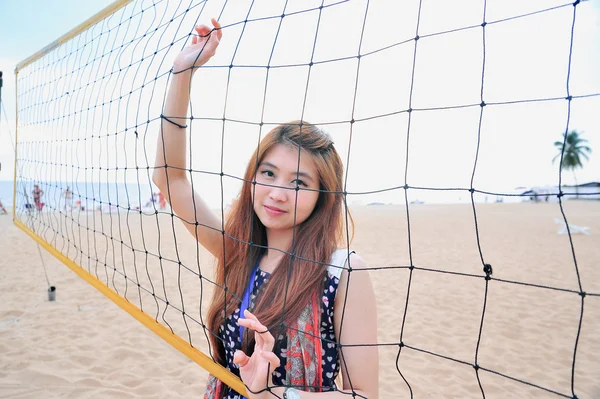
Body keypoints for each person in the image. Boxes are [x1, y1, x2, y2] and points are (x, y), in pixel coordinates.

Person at [152, 19, 378, 399]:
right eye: (268, 173)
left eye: (299, 183)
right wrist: (182, 73)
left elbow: (364, 395)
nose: (277, 193)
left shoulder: (341, 271)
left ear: (323, 195)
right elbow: (171, 180)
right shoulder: (238, 250)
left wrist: (274, 393)